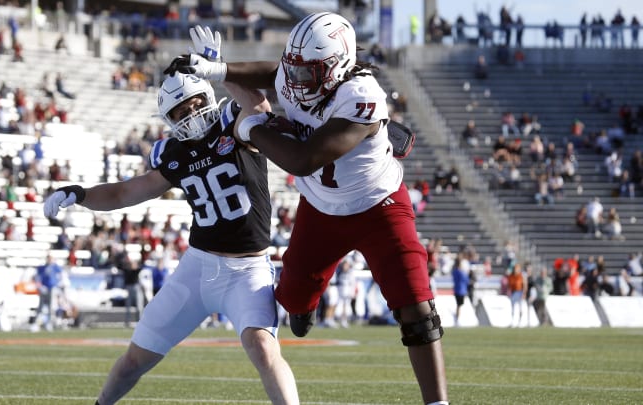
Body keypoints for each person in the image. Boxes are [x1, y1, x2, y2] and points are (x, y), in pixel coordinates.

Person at [165, 14, 447, 404]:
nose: (294, 79)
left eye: (306, 70)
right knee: (293, 302)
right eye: (293, 66)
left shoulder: (361, 96)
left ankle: (438, 402)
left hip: (378, 207)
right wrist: (220, 69)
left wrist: (253, 130)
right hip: (321, 207)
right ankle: (304, 306)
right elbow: (275, 72)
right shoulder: (302, 74)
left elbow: (303, 160)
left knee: (416, 307)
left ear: (339, 65)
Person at [43, 29, 298, 404]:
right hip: (197, 268)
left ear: (207, 96)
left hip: (249, 270)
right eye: (181, 111)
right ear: (168, 118)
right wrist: (79, 193)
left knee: (263, 347)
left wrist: (218, 70)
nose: (191, 114)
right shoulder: (173, 154)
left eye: (195, 103)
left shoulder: (234, 122)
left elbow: (259, 109)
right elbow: (125, 192)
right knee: (134, 360)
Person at [32, 253, 64, 332]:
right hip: (44, 289)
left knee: (51, 307)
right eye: (48, 258)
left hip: (52, 289)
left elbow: (60, 277)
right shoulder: (42, 268)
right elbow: (36, 278)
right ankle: (37, 324)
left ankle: (49, 323)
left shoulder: (55, 267)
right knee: (41, 307)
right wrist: (40, 287)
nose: (49, 260)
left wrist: (57, 286)